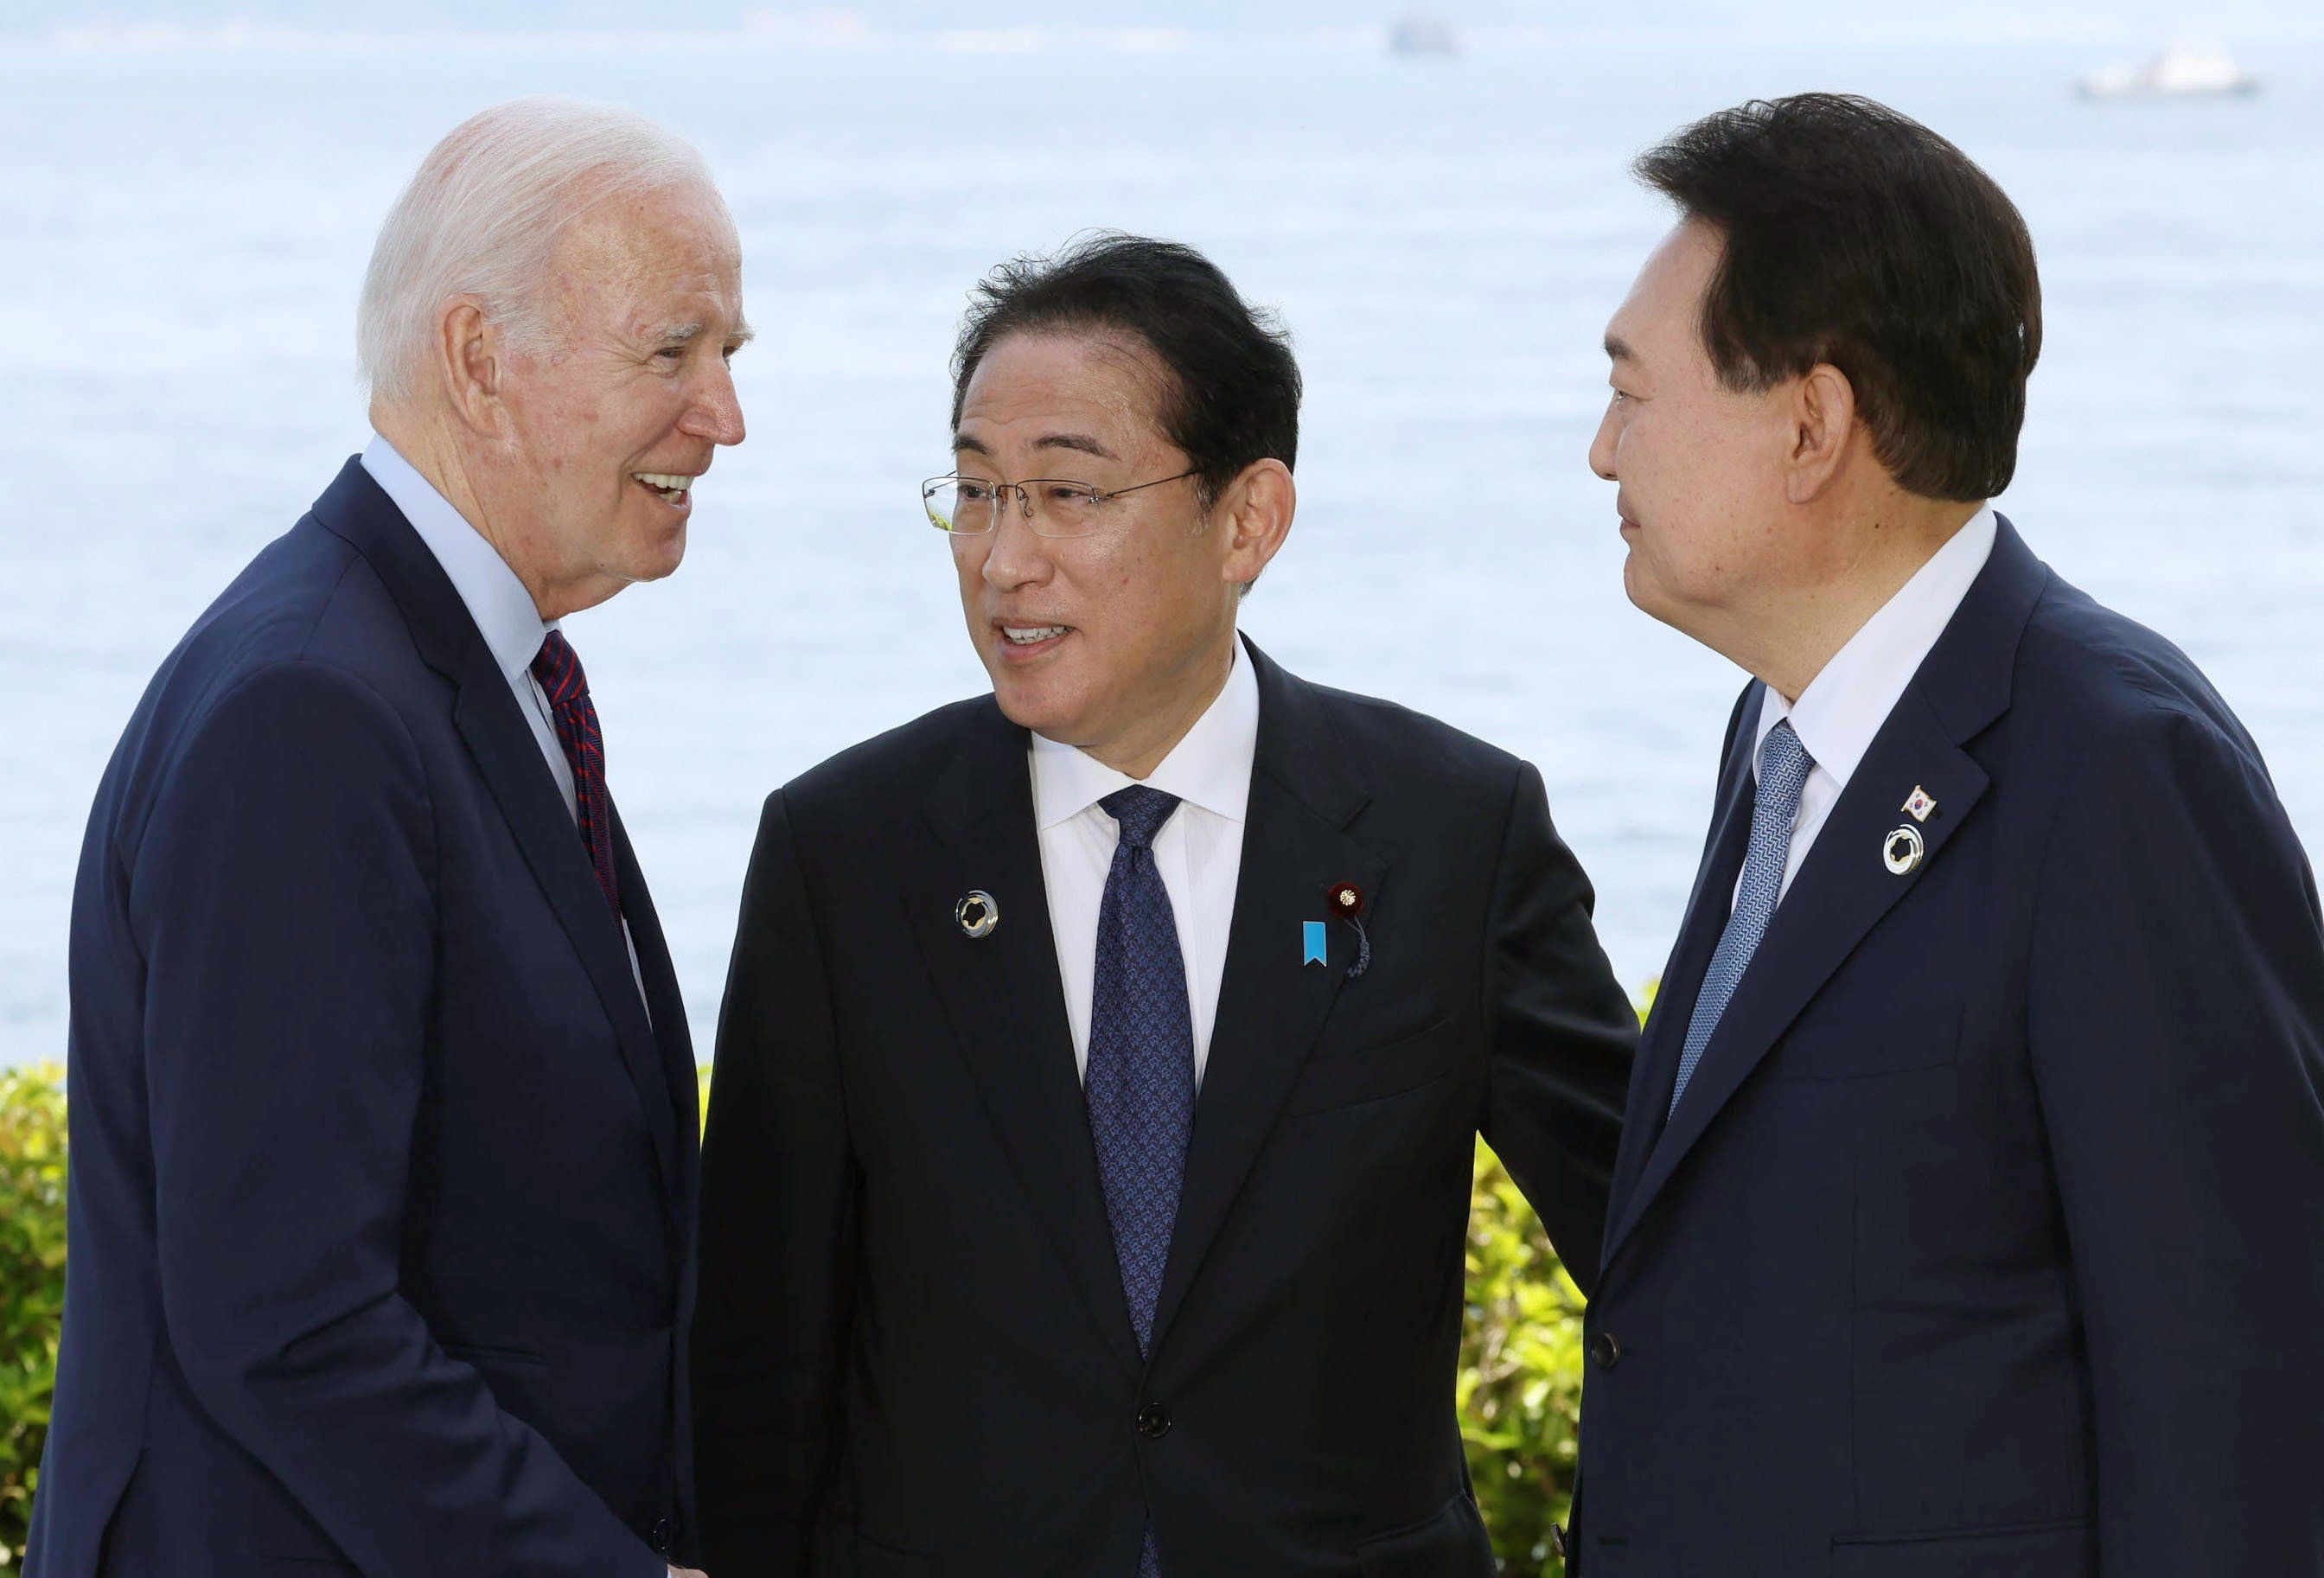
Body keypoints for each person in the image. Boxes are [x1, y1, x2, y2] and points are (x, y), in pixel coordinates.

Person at [692, 233, 1635, 1576]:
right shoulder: (846, 851)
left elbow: (1659, 1257)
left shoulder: (1453, 834)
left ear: (1248, 518)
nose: (1004, 559)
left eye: (1068, 493)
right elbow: (755, 1352)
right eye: (974, 491)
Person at [1574, 93, 2324, 1575]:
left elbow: (2238, 1407)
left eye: (1635, 393)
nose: (1604, 453)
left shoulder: (2120, 767)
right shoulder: (1779, 732)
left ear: (1812, 424)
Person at [29, 97, 748, 1578]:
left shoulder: (446, 669)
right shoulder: (311, 709)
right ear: (481, 361)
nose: (724, 417)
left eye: (728, 358)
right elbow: (290, 1322)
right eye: (673, 352)